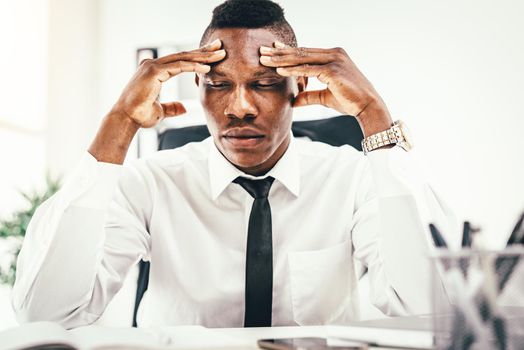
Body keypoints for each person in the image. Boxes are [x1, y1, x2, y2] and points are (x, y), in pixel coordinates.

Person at [12, 0, 455, 329]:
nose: (239, 107)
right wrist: (117, 126)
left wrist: (374, 116)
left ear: (298, 85)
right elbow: (47, 316)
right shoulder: (150, 183)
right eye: (219, 84)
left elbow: (428, 309)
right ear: (198, 87)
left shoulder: (352, 178)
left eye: (264, 83)